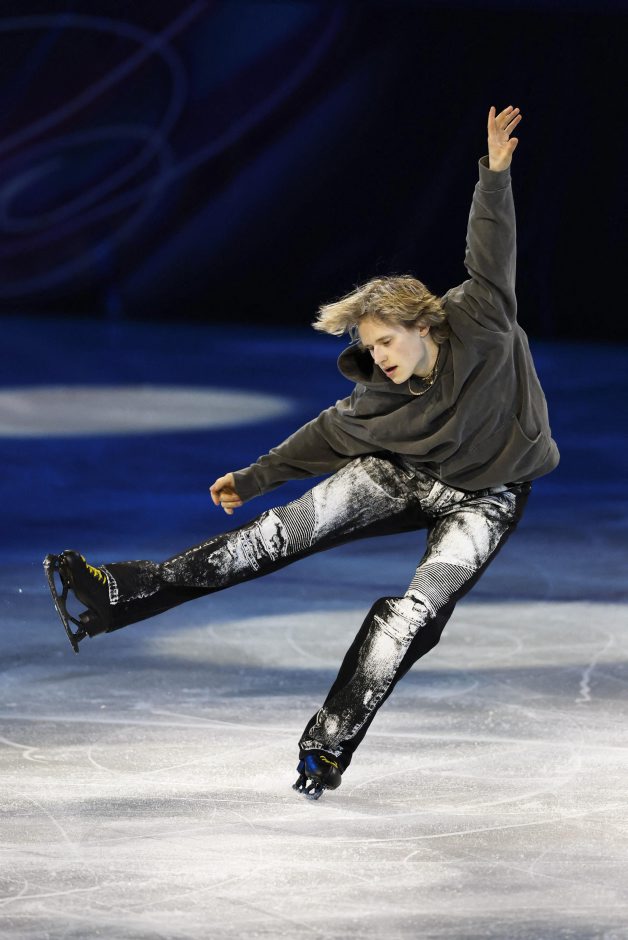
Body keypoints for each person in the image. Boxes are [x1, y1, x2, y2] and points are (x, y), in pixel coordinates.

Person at [44, 105, 559, 800]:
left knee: (413, 615)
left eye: (386, 341)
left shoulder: (482, 318)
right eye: (369, 347)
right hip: (401, 476)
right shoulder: (377, 399)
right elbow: (323, 436)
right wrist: (254, 478)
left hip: (487, 497)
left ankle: (326, 748)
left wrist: (494, 174)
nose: (378, 357)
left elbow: (489, 248)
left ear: (423, 324)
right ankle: (117, 595)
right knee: (271, 538)